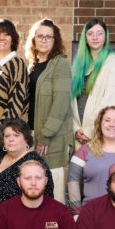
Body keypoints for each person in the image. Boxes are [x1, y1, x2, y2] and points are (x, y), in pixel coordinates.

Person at [25, 19, 74, 204]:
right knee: (34, 189)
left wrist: (45, 135)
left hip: (51, 137)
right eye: (40, 36)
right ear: (34, 39)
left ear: (55, 40)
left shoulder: (59, 64)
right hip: (32, 134)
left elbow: (60, 103)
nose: (44, 40)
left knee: (54, 192)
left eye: (48, 36)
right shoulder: (33, 66)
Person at [71, 18, 115, 147]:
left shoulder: (113, 61)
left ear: (105, 36)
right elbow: (71, 101)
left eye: (99, 33)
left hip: (101, 134)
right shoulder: (79, 64)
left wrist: (89, 132)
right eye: (90, 34)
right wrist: (76, 128)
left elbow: (111, 101)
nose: (95, 37)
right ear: (85, 37)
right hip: (79, 134)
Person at [0, 19, 29, 149]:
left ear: (13, 39)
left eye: (7, 34)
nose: (2, 37)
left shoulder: (17, 64)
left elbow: (16, 105)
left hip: (6, 134)